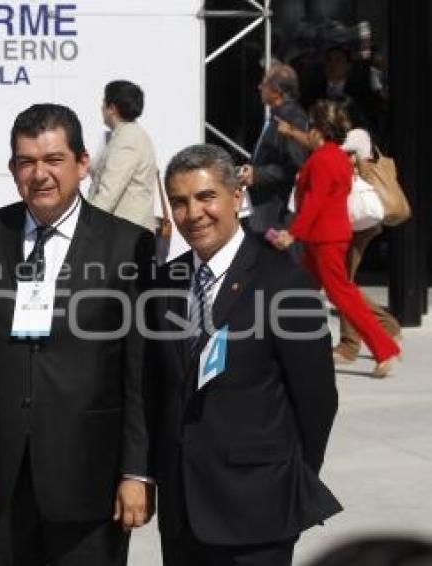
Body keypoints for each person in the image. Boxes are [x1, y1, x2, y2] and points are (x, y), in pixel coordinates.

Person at [0, 103, 155, 565]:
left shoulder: (127, 245)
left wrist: (137, 472)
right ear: (12, 169)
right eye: (26, 162)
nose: (39, 174)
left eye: (54, 160)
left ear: (83, 163)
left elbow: (138, 372)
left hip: (90, 477)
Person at [145, 144, 342, 566]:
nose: (193, 213)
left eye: (206, 197)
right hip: (183, 511)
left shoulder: (285, 283)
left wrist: (287, 478)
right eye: (179, 202)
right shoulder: (163, 284)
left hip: (258, 510)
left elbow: (317, 401)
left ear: (237, 197)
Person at [272, 100, 400, 377]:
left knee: (340, 295)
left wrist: (292, 233)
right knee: (304, 292)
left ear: (318, 130)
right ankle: (283, 347)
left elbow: (315, 201)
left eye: (310, 127)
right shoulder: (336, 156)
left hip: (324, 238)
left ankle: (384, 348)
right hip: (325, 237)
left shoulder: (322, 159)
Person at [237, 63, 308, 236]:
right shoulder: (276, 115)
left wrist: (257, 175)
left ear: (276, 91)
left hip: (275, 211)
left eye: (264, 84)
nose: (259, 87)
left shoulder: (292, 118)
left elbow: (293, 166)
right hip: (261, 207)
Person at [88, 80, 163, 234]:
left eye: (103, 102)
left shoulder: (127, 138)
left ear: (112, 108)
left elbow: (109, 192)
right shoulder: (126, 134)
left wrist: (86, 226)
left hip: (125, 234)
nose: (101, 108)